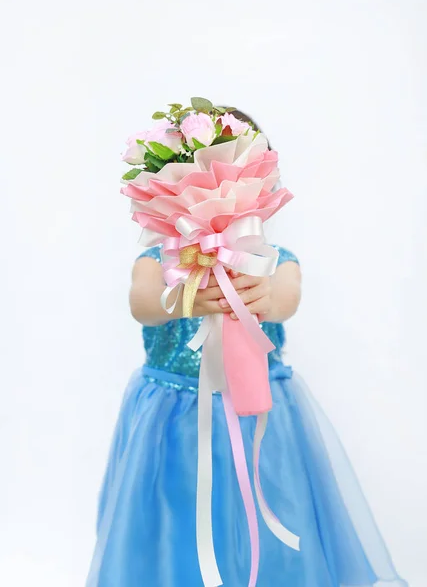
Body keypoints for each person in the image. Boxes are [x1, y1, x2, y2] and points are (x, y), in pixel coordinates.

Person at [86, 112, 407, 587]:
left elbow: (287, 297)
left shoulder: (270, 260)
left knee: (270, 508)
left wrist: (267, 297)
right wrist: (178, 299)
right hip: (173, 416)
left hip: (260, 415)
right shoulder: (158, 260)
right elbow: (142, 303)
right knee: (175, 513)